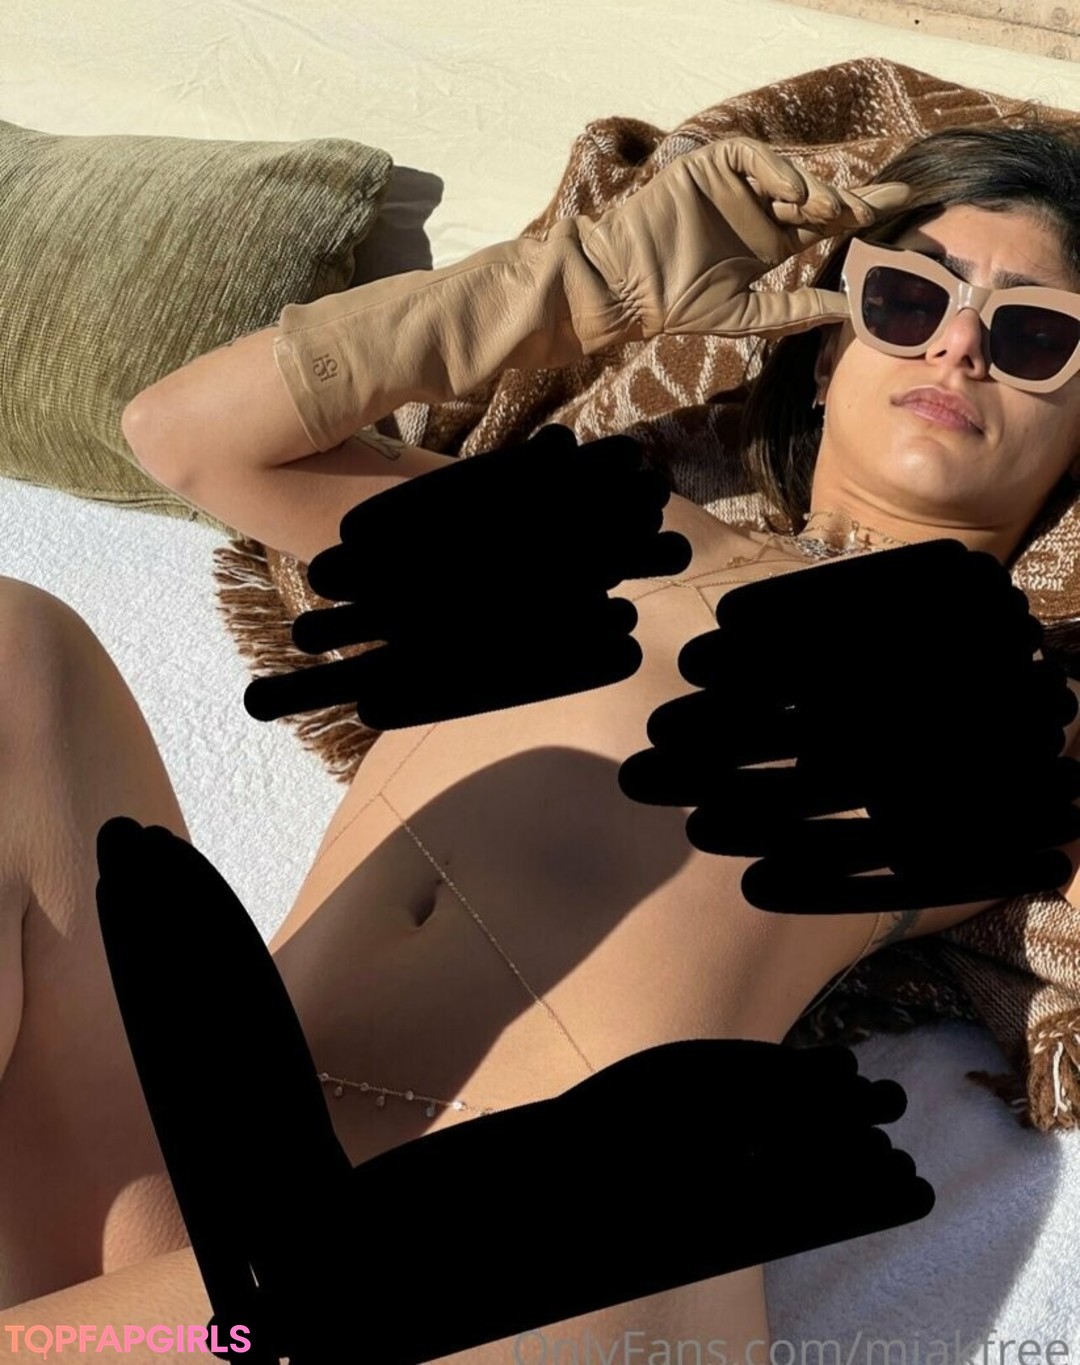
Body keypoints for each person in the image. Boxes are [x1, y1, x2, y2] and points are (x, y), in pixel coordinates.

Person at [2, 118, 1080, 1360]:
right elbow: (188, 434)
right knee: (18, 649)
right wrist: (598, 277)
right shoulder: (601, 536)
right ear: (830, 348)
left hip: (531, 1250)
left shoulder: (1029, 699)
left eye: (1034, 336)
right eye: (906, 299)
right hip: (192, 1184)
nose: (957, 345)